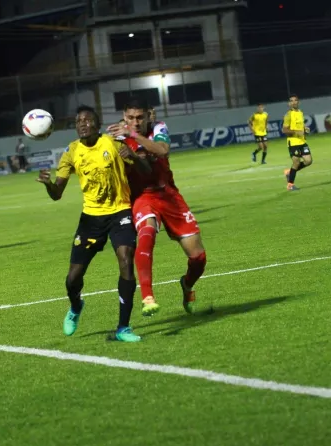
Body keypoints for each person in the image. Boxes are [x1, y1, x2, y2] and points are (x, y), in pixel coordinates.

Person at [36, 105, 151, 342]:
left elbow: (147, 170)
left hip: (120, 211)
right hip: (91, 218)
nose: (82, 124)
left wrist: (134, 159)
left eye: (88, 120)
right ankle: (76, 306)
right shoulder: (71, 152)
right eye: (79, 121)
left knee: (126, 261)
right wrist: (48, 184)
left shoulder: (114, 143)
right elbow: (57, 193)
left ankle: (123, 328)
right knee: (72, 279)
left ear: (97, 125)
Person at [107, 100, 207, 317]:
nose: (135, 122)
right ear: (124, 116)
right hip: (142, 197)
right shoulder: (114, 137)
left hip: (169, 196)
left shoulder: (158, 128)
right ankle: (148, 296)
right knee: (147, 233)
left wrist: (132, 136)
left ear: (148, 117)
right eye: (131, 118)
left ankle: (187, 284)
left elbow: (162, 150)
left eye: (140, 118)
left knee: (198, 258)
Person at [282, 94, 313, 191]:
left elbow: (300, 127)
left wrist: (305, 129)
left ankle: (289, 172)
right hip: (293, 142)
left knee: (308, 161)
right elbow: (284, 130)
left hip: (302, 141)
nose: (293, 102)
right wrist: (296, 132)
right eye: (291, 101)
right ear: (289, 103)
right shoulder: (288, 115)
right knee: (296, 163)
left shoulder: (300, 112)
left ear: (298, 102)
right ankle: (290, 185)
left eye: (295, 100)